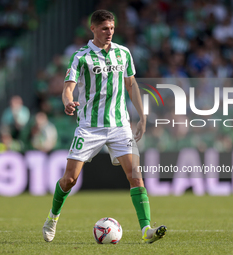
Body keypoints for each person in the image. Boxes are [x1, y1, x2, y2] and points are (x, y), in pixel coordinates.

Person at [42, 9, 167, 244]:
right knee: (69, 179)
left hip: (120, 125)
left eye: (111, 28)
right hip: (90, 127)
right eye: (104, 29)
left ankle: (146, 229)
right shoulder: (81, 56)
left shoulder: (124, 53)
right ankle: (52, 217)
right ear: (93, 29)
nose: (109, 32)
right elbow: (68, 87)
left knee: (135, 176)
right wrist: (68, 101)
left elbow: (131, 86)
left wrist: (142, 116)